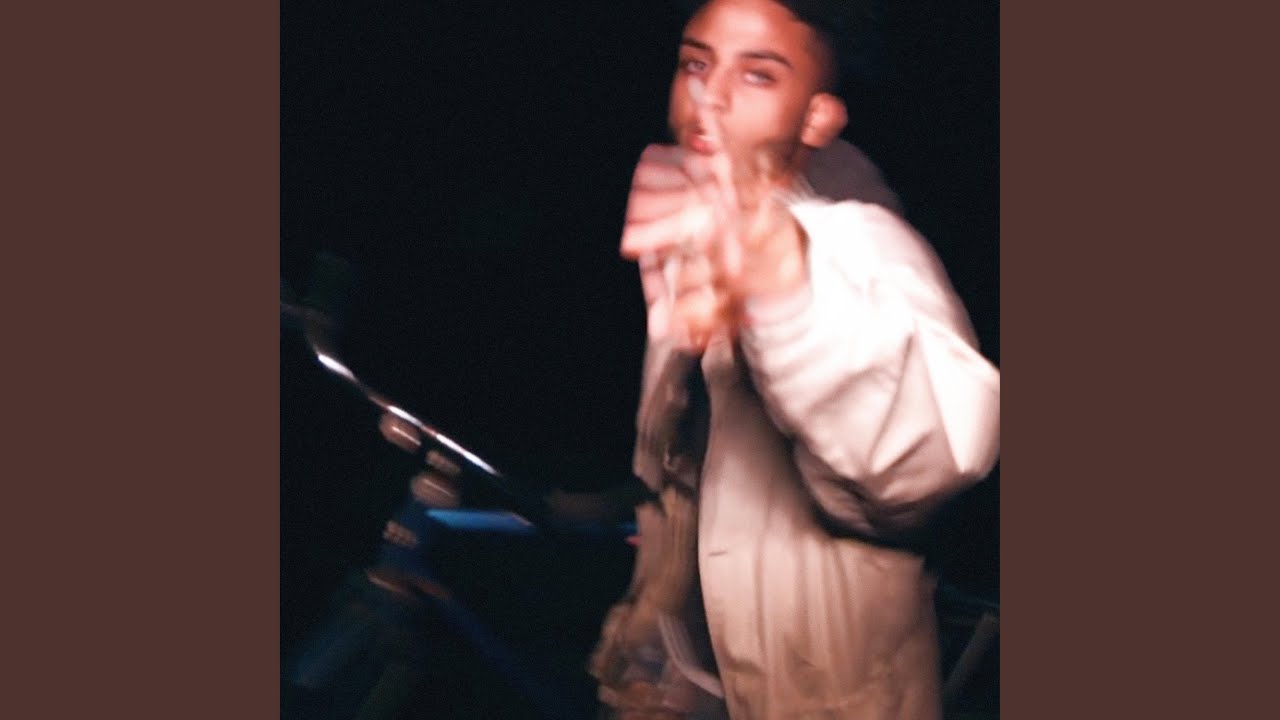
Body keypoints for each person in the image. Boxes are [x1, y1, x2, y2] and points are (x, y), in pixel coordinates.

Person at [584, 1, 1000, 719]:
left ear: (816, 118)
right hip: (690, 682)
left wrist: (786, 290)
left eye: (759, 75)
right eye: (696, 63)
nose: (710, 96)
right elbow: (688, 467)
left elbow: (931, 459)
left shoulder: (864, 245)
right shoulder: (692, 233)